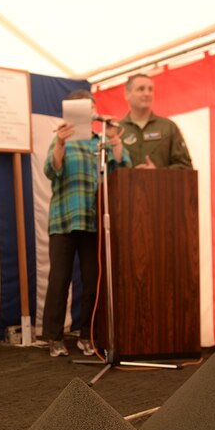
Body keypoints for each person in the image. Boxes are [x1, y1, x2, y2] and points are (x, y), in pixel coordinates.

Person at [41, 89, 128, 357]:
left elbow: (122, 168)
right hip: (64, 220)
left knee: (92, 281)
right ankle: (54, 338)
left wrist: (114, 140)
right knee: (59, 280)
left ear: (93, 112)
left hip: (93, 221)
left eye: (90, 108)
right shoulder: (61, 140)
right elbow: (50, 170)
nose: (86, 113)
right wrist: (60, 143)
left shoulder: (98, 143)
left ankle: (86, 335)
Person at [118, 73, 193, 169]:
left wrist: (158, 173)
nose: (147, 93)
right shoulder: (117, 130)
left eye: (150, 89)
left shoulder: (168, 127)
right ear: (127, 94)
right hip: (127, 184)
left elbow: (186, 167)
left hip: (162, 184)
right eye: (141, 89)